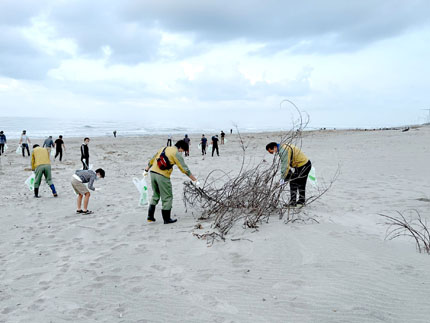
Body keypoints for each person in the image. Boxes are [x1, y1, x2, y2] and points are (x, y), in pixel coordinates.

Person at [144, 140, 197, 224]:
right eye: (182, 151)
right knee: (167, 197)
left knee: (155, 194)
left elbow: (153, 159)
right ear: (180, 147)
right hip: (162, 176)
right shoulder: (176, 153)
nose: (182, 152)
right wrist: (194, 180)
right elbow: (184, 168)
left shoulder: (164, 148)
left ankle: (150, 216)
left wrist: (146, 170)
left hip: (153, 173)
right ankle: (166, 219)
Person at [266, 142, 312, 207]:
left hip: (304, 165)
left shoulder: (283, 150)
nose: (273, 153)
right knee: (294, 181)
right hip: (299, 165)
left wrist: (282, 178)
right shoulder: (281, 147)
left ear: (275, 147)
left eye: (272, 152)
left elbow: (285, 165)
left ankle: (299, 202)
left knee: (299, 183)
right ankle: (295, 202)